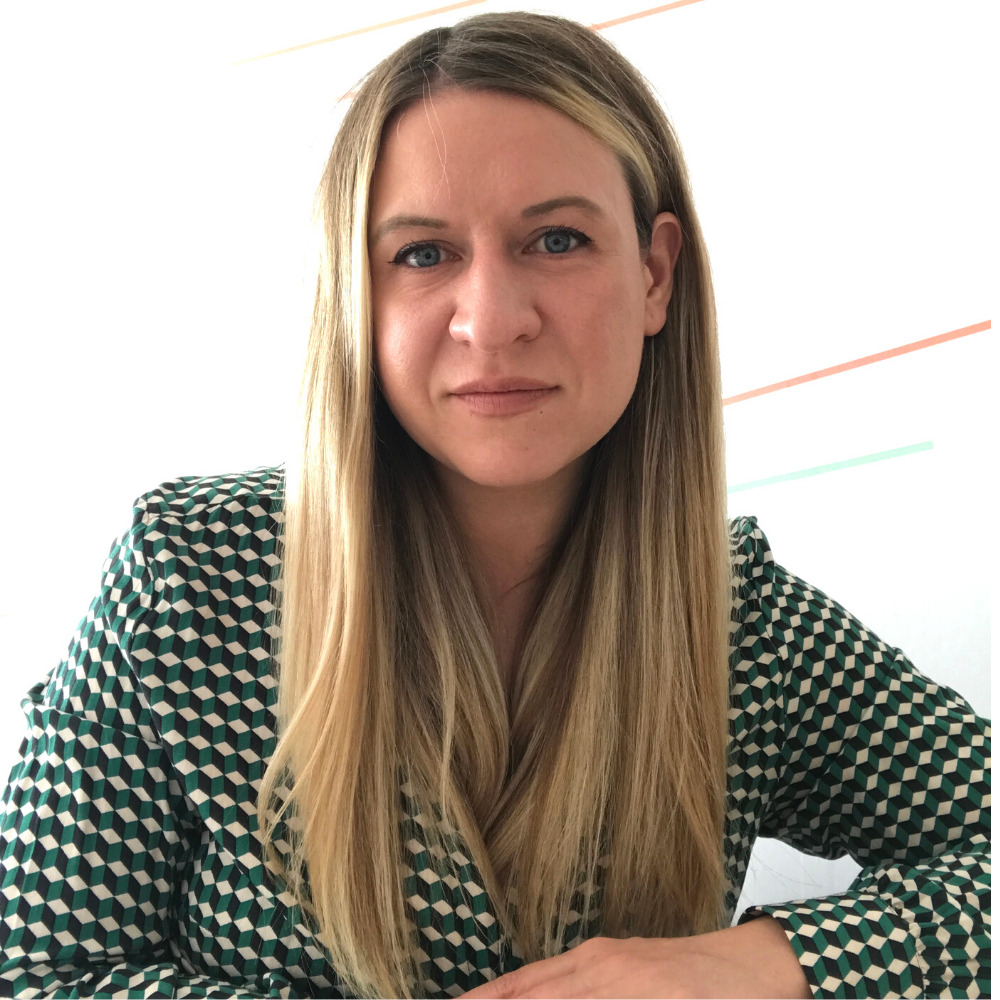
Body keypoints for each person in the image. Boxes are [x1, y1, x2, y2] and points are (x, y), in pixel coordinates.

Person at [0, 11, 989, 999]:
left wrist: (756, 965)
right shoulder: (187, 578)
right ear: (355, 292)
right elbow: (35, 970)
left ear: (653, 274)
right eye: (422, 254)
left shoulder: (741, 625)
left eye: (557, 240)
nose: (493, 320)